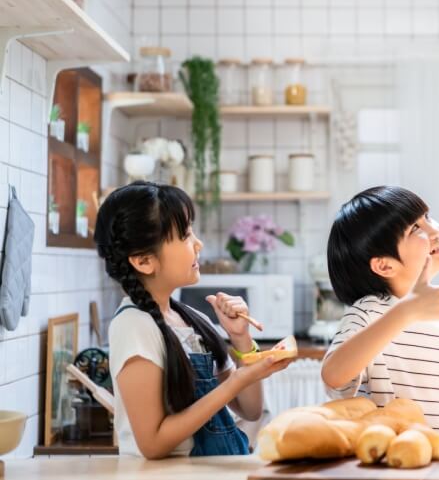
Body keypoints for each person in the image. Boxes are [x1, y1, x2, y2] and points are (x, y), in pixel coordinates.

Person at [94, 181, 292, 458]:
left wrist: (241, 339)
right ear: (143, 261)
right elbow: (153, 444)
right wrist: (237, 381)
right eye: (185, 235)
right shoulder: (134, 326)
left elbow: (250, 409)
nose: (198, 244)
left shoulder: (193, 319)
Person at [321, 186, 439, 439]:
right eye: (415, 229)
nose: (435, 231)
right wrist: (406, 312)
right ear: (384, 265)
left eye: (428, 217)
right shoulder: (370, 312)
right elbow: (333, 376)